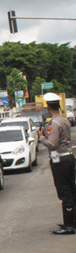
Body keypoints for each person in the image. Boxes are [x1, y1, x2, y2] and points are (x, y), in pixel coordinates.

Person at [38, 92, 76, 235]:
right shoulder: (65, 120)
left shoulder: (54, 123)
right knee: (72, 190)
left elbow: (52, 144)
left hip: (60, 160)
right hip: (69, 157)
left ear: (48, 107)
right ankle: (72, 221)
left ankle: (69, 226)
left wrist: (42, 138)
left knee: (64, 192)